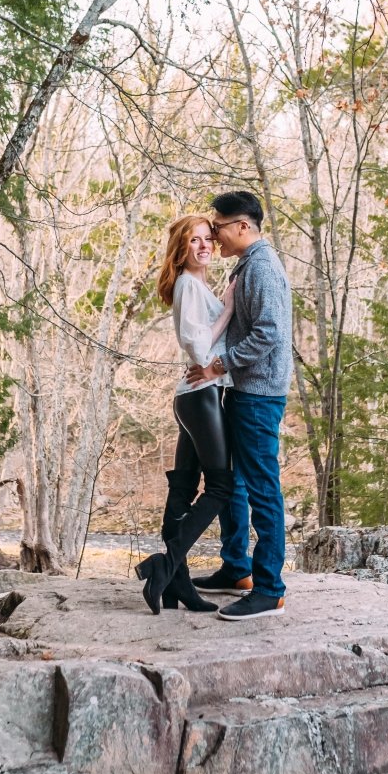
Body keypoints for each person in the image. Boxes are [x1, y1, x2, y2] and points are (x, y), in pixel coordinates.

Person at [186, 189, 292, 620]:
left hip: (259, 395)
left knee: (263, 487)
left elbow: (269, 333)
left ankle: (270, 590)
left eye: (218, 228)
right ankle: (237, 568)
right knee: (238, 482)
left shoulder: (262, 269)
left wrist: (219, 366)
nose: (214, 236)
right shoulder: (247, 268)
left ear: (243, 226)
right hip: (245, 390)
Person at [136, 215, 236, 614]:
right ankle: (166, 563)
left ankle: (175, 584)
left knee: (182, 488)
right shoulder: (189, 285)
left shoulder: (192, 285)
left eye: (208, 239)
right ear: (182, 248)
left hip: (193, 396)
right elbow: (197, 346)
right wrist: (227, 310)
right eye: (194, 241)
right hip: (201, 395)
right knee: (220, 487)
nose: (204, 246)